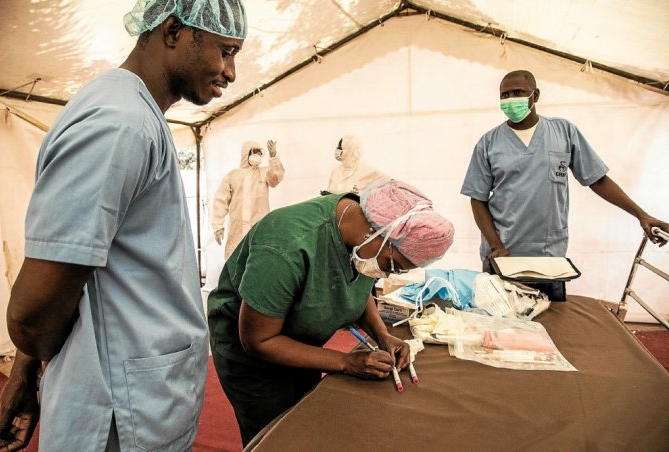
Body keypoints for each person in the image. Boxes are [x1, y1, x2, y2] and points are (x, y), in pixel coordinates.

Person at [0, 1, 247, 450]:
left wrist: (25, 369)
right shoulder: (121, 123)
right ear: (173, 31)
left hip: (136, 399)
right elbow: (34, 311)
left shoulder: (135, 114)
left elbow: (85, 262)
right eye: (225, 51)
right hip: (120, 413)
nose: (231, 73)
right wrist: (30, 364)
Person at [207, 179, 455, 446]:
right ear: (374, 232)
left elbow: (358, 287)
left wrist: (382, 334)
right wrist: (345, 362)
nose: (386, 274)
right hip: (252, 351)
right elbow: (259, 341)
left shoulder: (367, 238)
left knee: (304, 415)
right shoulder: (286, 245)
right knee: (275, 436)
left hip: (300, 337)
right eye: (391, 265)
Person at [460, 69, 668, 271]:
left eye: (518, 92)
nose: (510, 99)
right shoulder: (488, 143)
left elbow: (598, 180)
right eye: (505, 95)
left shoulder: (563, 132)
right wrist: (497, 246)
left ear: (535, 95)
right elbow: (477, 199)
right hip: (503, 252)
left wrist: (642, 215)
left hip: (548, 252)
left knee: (550, 307)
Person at [211, 139, 285, 259]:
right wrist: (218, 226)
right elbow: (220, 201)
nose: (258, 156)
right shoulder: (232, 175)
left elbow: (276, 178)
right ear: (246, 153)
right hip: (238, 229)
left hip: (259, 226)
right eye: (254, 152)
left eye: (260, 153)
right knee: (236, 259)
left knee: (258, 259)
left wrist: (273, 156)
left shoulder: (264, 172)